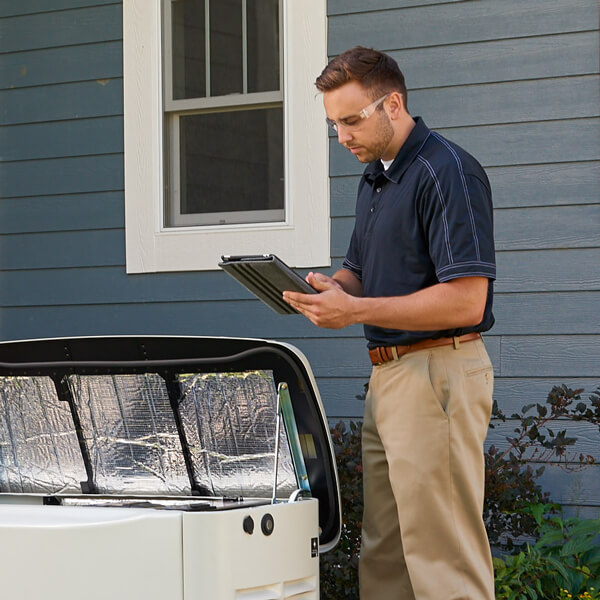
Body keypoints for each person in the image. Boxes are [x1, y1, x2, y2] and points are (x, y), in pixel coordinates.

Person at [283, 47, 496, 599]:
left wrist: (355, 310)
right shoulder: (376, 178)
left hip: (438, 371)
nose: (342, 137)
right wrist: (334, 290)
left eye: (351, 121)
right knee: (386, 556)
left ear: (393, 104)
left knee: (442, 559)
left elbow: (467, 301)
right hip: (390, 377)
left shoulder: (447, 171)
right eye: (334, 124)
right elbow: (359, 271)